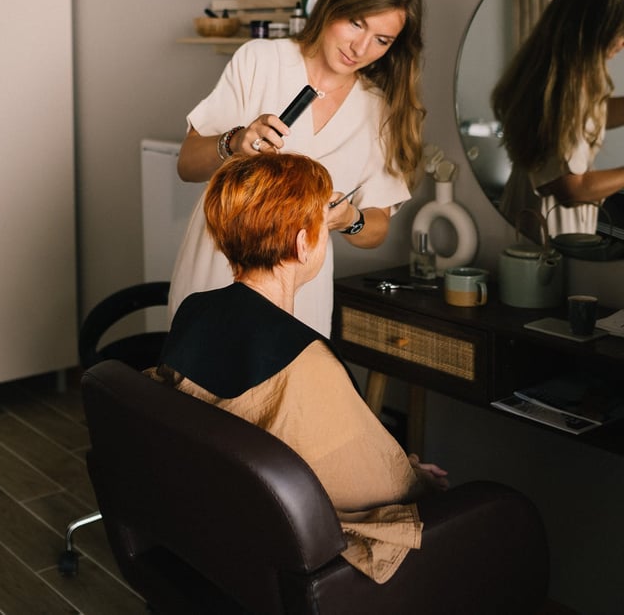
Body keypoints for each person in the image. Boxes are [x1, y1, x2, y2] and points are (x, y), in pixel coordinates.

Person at [152, 152, 448, 583]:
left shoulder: (194, 312)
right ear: (302, 243)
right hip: (287, 563)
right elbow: (379, 486)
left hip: (215, 534)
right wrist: (415, 475)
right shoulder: (306, 360)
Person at [168, 0, 425, 335]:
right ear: (333, 4)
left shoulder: (378, 110)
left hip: (300, 287)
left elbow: (377, 227)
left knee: (286, 389)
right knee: (195, 389)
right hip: (221, 266)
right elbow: (187, 166)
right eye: (356, 23)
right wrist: (235, 142)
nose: (360, 48)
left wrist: (349, 219)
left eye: (381, 40)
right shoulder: (260, 60)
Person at [492, 0, 624, 239]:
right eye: (620, 31)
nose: (623, 42)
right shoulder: (562, 88)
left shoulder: (563, 72)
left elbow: (588, 118)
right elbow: (572, 189)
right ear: (596, 30)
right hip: (547, 234)